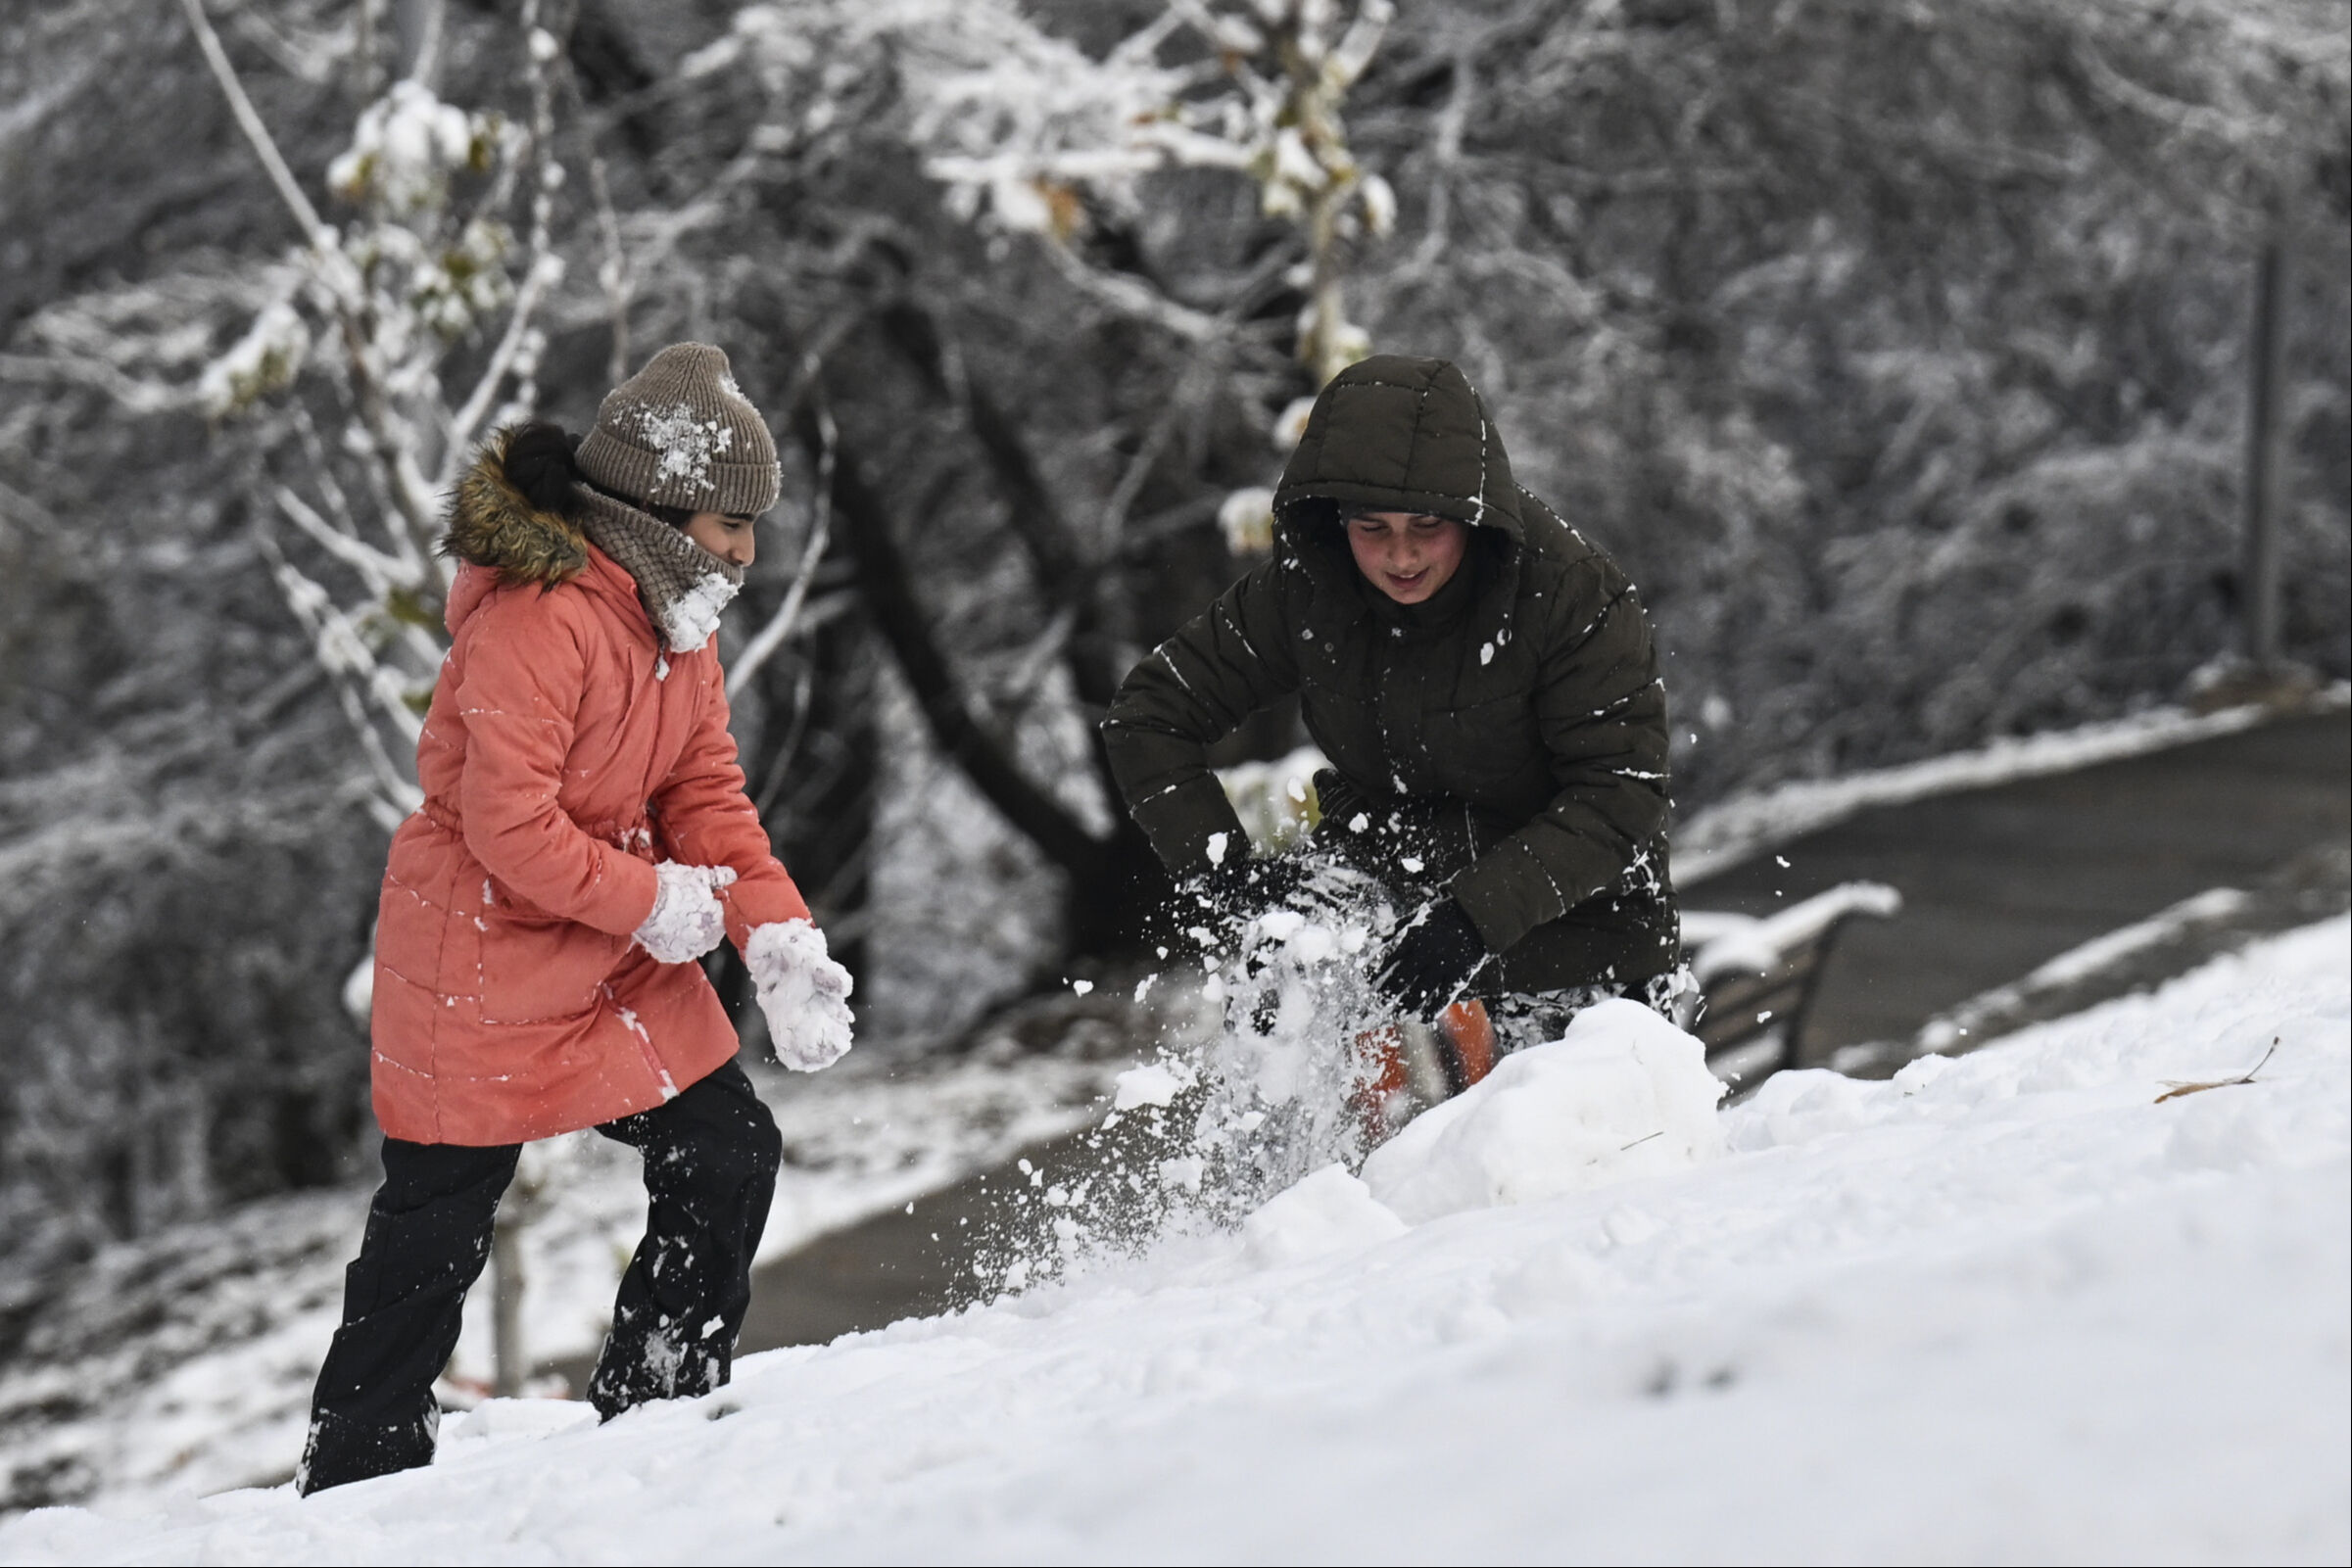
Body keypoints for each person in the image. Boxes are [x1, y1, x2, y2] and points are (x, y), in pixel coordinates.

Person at [298, 344, 856, 1495]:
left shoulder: (677, 633)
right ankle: (353, 1481)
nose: (749, 551)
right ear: (654, 512)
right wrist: (652, 902)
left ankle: (655, 1408)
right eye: (729, 523)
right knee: (433, 1236)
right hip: (479, 953)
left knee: (727, 1146)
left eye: (755, 525)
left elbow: (706, 799)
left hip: (607, 953)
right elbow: (509, 827)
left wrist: (776, 936)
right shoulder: (537, 622)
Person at [1102, 354, 1684, 1078]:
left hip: (1580, 937)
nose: (1400, 555)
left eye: (1426, 525)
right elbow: (1149, 714)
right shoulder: (1308, 591)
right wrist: (1225, 878)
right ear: (1332, 520)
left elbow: (1619, 793)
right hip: (1387, 892)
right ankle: (1283, 1179)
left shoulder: (1569, 594)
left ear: (1474, 514)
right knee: (1285, 1020)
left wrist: (1473, 918)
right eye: (1371, 526)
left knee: (1570, 1167)